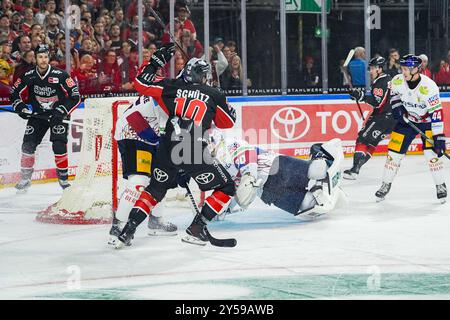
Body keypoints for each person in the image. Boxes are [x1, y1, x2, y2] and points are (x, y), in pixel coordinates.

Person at [115, 44, 237, 248]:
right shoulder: (212, 94)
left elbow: (140, 84)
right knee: (227, 186)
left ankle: (127, 231)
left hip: (167, 148)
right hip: (193, 151)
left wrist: (154, 62)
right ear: (204, 77)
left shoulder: (171, 87)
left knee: (154, 190)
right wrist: (221, 100)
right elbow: (228, 122)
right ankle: (197, 229)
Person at [208, 129, 346, 220]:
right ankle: (321, 190)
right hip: (267, 191)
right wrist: (221, 210)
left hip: (274, 166)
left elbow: (247, 156)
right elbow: (232, 190)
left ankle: (321, 152)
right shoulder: (213, 165)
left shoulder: (229, 144)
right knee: (310, 205)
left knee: (318, 170)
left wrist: (249, 175)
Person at [375, 54, 447, 203]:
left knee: (431, 154)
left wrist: (438, 137)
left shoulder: (429, 87)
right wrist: (397, 107)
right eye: (403, 68)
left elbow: (437, 113)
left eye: (408, 68)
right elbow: (394, 94)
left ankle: (440, 185)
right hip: (406, 121)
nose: (405, 71)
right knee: (393, 153)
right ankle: (385, 184)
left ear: (417, 69)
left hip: (427, 122)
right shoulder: (398, 80)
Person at [10, 44, 81, 193]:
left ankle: (63, 180)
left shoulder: (60, 75)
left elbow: (75, 97)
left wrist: (61, 111)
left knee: (59, 145)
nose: (43, 60)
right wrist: (20, 107)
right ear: (35, 58)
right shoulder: (28, 75)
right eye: (40, 57)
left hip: (58, 116)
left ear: (49, 57)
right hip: (38, 116)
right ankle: (25, 179)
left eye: (45, 56)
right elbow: (14, 92)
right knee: (27, 146)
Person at [108, 95, 177, 246]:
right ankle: (118, 227)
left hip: (150, 134)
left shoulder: (179, 94)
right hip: (134, 133)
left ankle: (156, 221)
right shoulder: (170, 98)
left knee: (161, 176)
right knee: (139, 182)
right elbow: (137, 119)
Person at [344, 56, 396, 180]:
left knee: (362, 139)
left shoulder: (381, 81)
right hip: (391, 120)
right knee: (372, 143)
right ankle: (357, 168)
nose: (370, 71)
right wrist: (358, 95)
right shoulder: (387, 80)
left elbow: (377, 102)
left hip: (381, 118)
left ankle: (354, 170)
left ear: (379, 69)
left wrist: (361, 96)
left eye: (372, 68)